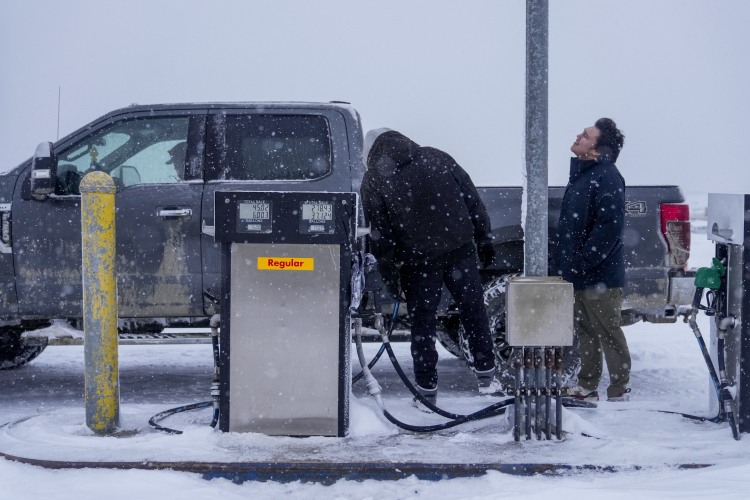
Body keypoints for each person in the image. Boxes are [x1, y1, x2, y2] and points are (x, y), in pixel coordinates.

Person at [360, 128, 499, 411]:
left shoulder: (373, 179)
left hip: (418, 261)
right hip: (459, 250)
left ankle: (427, 391)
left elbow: (381, 235)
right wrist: (484, 238)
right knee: (473, 311)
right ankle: (487, 378)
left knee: (422, 324)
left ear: (371, 152)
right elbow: (472, 200)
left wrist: (390, 275)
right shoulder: (437, 157)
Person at [556, 118, 631, 402]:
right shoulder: (583, 176)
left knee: (607, 329)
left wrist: (584, 259)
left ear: (596, 150)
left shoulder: (607, 176)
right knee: (586, 329)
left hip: (600, 274)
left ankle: (619, 389)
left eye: (586, 135)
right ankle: (587, 387)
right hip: (581, 271)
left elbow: (609, 225)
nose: (579, 135)